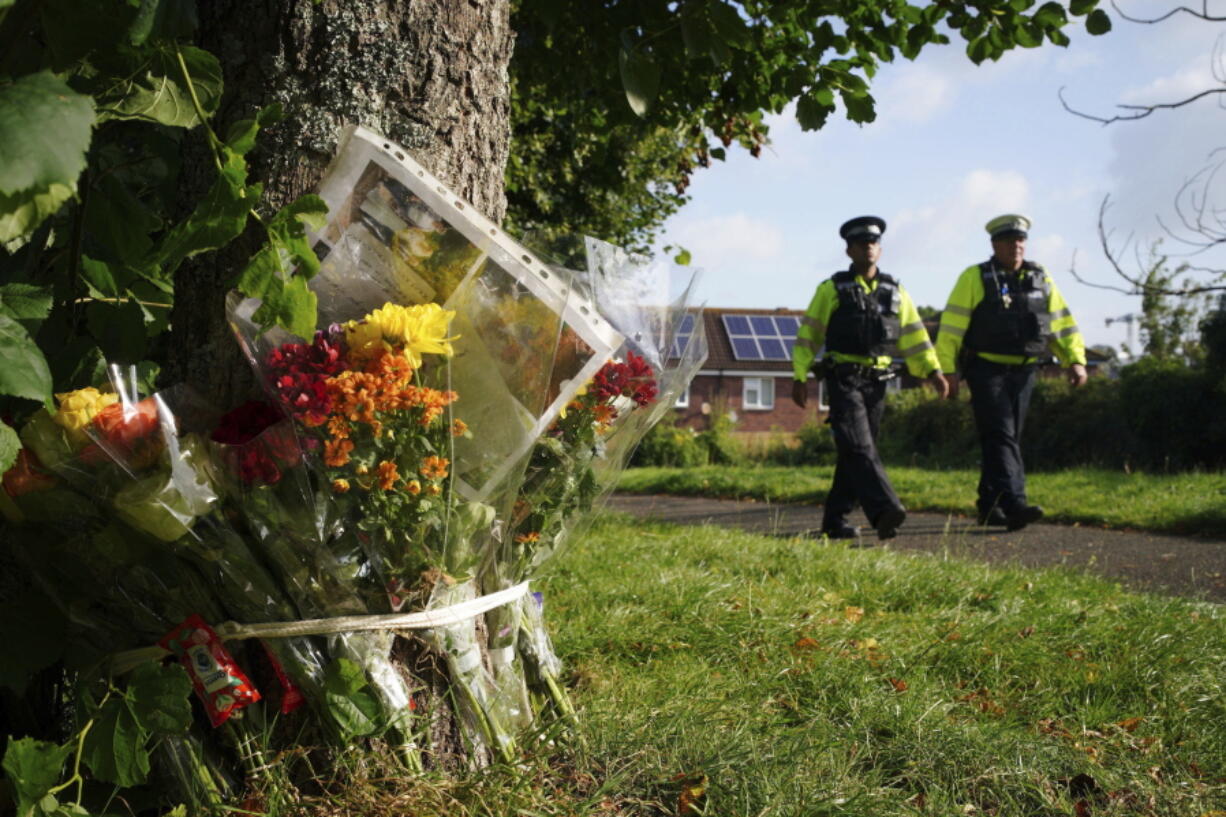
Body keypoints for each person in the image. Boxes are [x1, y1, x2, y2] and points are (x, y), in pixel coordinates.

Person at [792, 216, 949, 541]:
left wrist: (933, 371)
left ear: (880, 248)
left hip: (878, 383)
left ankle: (834, 522)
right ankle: (884, 510)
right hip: (843, 380)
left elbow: (915, 336)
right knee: (859, 446)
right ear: (849, 251)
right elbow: (809, 335)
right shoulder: (832, 289)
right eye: (861, 243)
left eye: (873, 242)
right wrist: (799, 375)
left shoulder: (896, 291)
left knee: (856, 451)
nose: (868, 247)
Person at [935, 214, 1087, 531]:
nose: (1015, 246)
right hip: (985, 369)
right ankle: (1015, 503)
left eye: (1020, 240)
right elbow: (950, 329)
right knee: (1002, 434)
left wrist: (1075, 360)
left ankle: (988, 506)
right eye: (1008, 241)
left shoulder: (1040, 277)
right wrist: (947, 370)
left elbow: (1059, 322)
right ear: (994, 244)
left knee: (1004, 438)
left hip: (1025, 371)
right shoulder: (974, 277)